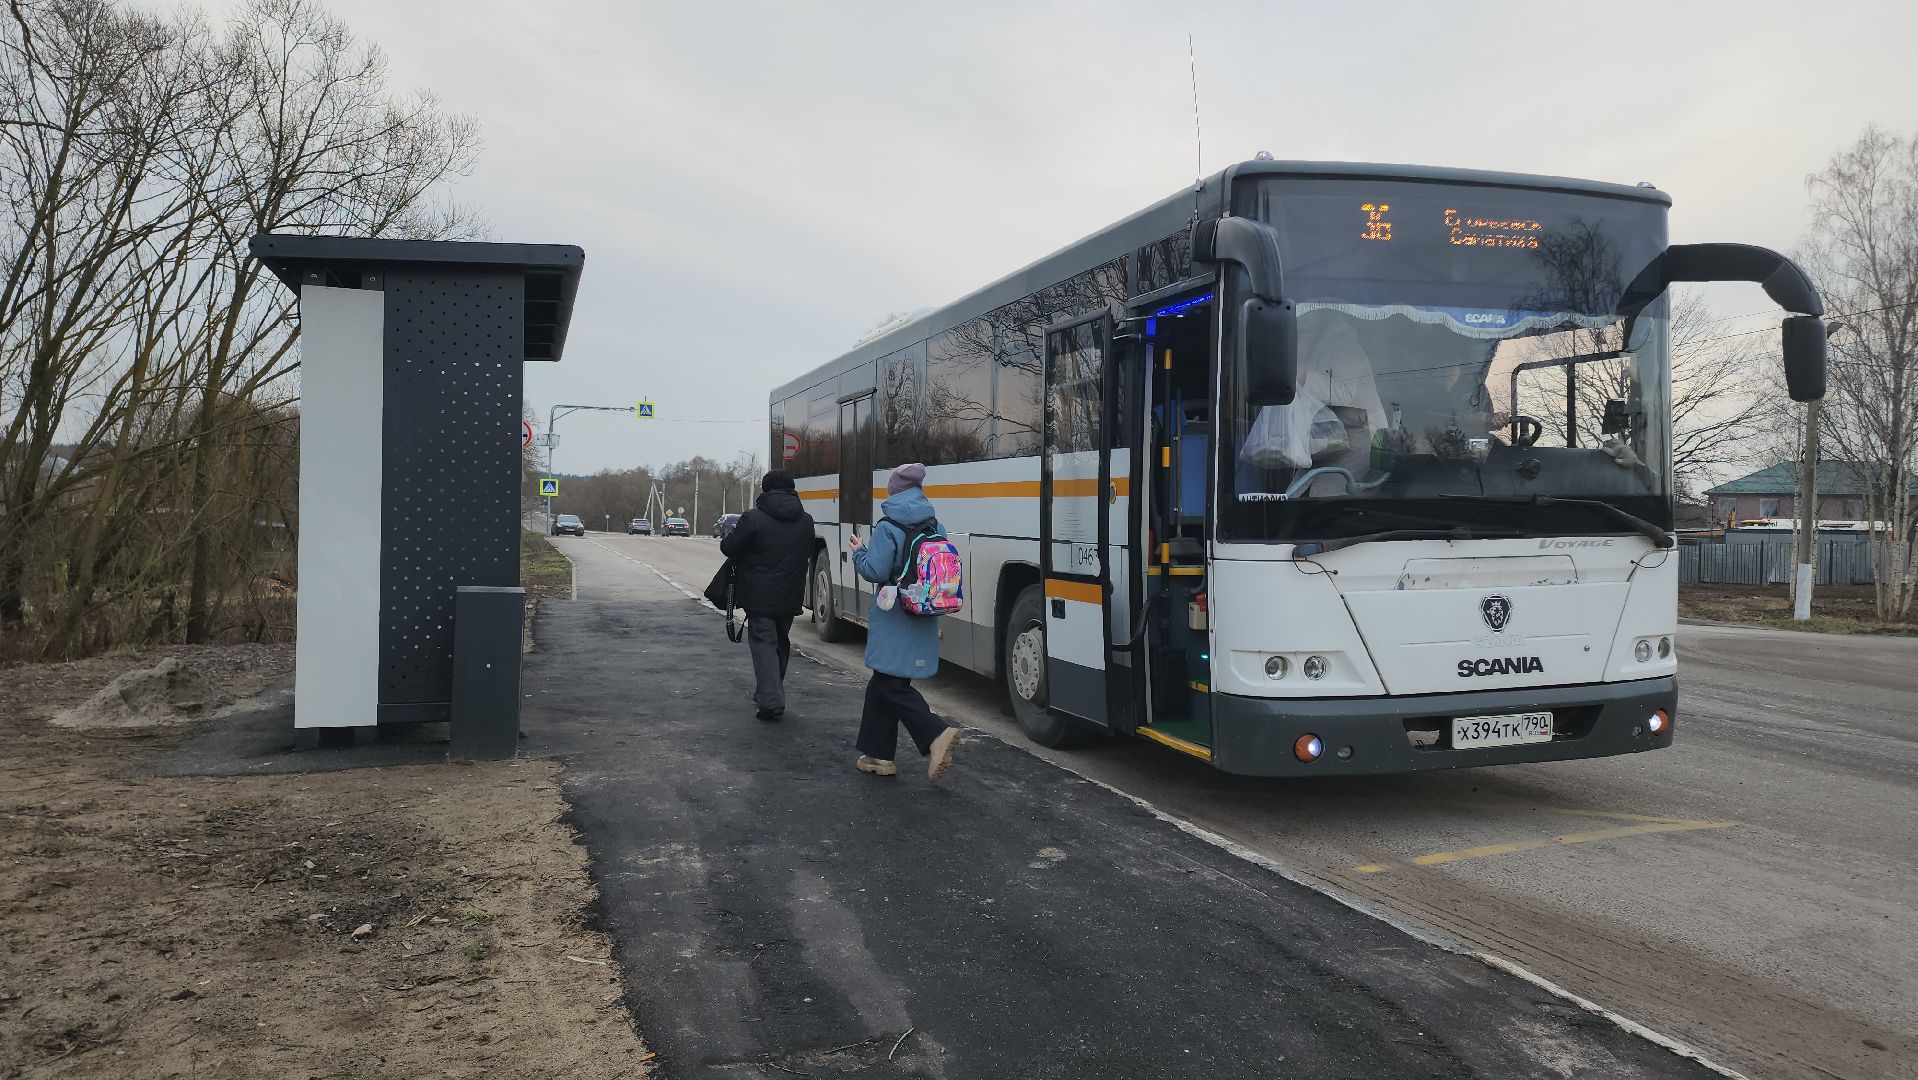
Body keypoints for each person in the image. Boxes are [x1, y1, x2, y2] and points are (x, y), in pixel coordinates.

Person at [846, 463, 961, 780]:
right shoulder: (936, 524)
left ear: (894, 492)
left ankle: (935, 734)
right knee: (884, 681)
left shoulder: (888, 525)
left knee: (889, 683)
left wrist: (859, 552)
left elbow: (876, 571)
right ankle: (879, 755)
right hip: (922, 612)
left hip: (894, 614)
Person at [720, 470, 816, 720]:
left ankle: (771, 699)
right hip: (791, 594)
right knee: (780, 641)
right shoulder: (806, 520)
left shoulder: (753, 518)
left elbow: (727, 547)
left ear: (765, 490)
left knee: (764, 643)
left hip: (759, 595)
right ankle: (768, 691)